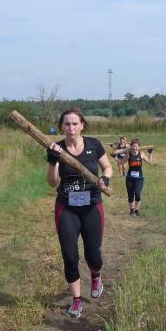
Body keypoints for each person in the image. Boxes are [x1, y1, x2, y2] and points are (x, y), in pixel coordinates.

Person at [46, 108, 114, 318]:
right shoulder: (56, 148)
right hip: (66, 207)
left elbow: (108, 167)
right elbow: (52, 182)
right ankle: (76, 300)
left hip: (92, 206)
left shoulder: (94, 144)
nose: (71, 127)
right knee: (70, 256)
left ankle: (96, 275)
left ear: (82, 125)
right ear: (61, 126)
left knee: (93, 255)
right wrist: (53, 161)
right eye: (67, 124)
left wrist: (106, 178)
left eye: (75, 123)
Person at [122, 138, 151, 216]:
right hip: (129, 178)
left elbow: (149, 162)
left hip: (139, 178)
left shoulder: (141, 154)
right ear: (131, 146)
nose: (135, 148)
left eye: (136, 146)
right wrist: (115, 157)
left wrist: (150, 153)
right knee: (130, 195)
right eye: (133, 146)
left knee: (137, 194)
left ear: (139, 147)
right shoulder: (128, 154)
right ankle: (132, 210)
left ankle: (137, 210)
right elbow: (120, 162)